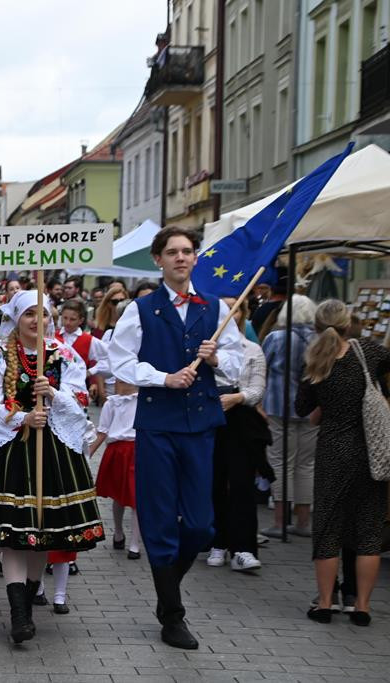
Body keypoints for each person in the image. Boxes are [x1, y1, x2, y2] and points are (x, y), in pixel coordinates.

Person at [108, 225, 242, 650]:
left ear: (195, 258)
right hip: (158, 424)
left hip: (201, 425)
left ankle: (168, 586)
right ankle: (172, 612)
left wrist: (217, 358)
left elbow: (239, 366)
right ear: (158, 260)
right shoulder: (141, 309)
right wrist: (163, 377)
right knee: (160, 517)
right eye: (172, 252)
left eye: (187, 251)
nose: (181, 258)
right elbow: (120, 362)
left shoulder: (215, 308)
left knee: (201, 524)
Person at [0, 289, 102, 644]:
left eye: (44, 314)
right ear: (16, 319)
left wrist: (53, 395)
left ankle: (30, 601)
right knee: (13, 534)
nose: (38, 320)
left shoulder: (64, 356)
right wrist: (21, 416)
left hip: (54, 450)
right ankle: (18, 613)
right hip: (9, 451)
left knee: (43, 533)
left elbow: (81, 400)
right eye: (29, 314)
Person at [296, 299, 390, 626]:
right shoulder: (370, 352)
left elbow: (303, 410)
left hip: (333, 452)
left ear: (317, 326)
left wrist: (326, 407)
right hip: (371, 452)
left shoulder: (314, 360)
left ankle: (325, 603)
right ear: (348, 323)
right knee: (368, 531)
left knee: (327, 531)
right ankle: (361, 606)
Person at [206, 297, 267, 573]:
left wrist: (237, 397)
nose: (231, 313)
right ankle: (218, 541)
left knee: (242, 484)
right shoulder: (206, 347)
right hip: (210, 419)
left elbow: (257, 390)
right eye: (225, 308)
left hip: (242, 421)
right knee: (214, 481)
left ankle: (243, 547)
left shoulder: (252, 349)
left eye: (237, 307)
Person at [261, 294, 318, 538]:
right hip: (311, 410)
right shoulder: (320, 340)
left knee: (280, 463)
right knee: (306, 465)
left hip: (278, 406)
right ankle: (303, 522)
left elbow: (260, 367)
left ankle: (280, 522)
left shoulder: (276, 337)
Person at [89, 379, 141, 559]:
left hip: (138, 450)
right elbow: (102, 431)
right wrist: (86, 454)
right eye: (118, 379)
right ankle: (118, 532)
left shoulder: (142, 400)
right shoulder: (112, 403)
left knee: (137, 498)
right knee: (118, 496)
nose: (118, 383)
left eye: (124, 380)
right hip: (117, 451)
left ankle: (135, 544)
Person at [57, 300, 107, 403]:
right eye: (65, 318)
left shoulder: (88, 340)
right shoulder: (54, 337)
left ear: (81, 320)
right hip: (55, 388)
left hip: (77, 390)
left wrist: (90, 372)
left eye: (72, 319)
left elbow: (110, 357)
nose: (67, 322)